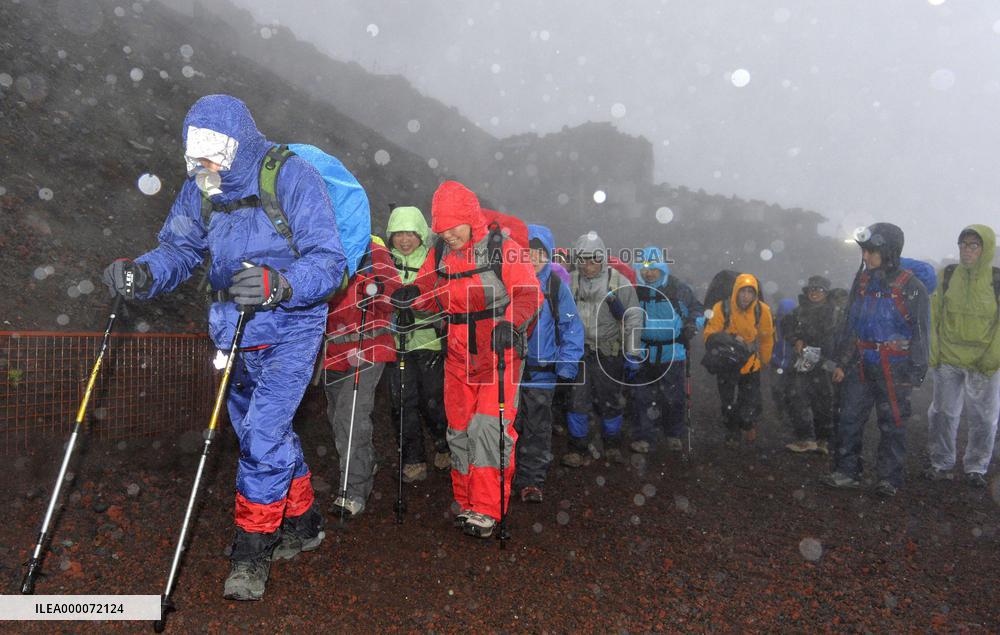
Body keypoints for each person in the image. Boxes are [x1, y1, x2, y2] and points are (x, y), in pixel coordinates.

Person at [101, 95, 345, 600]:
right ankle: (305, 524)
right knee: (264, 434)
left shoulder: (290, 176)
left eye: (211, 156)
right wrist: (142, 272)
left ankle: (252, 554)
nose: (202, 167)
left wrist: (280, 283)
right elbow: (180, 248)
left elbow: (329, 262)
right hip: (230, 328)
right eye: (195, 157)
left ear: (237, 147)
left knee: (260, 435)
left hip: (292, 326)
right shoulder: (201, 191)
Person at [392, 181, 542, 538]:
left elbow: (529, 294)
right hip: (457, 356)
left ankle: (487, 508)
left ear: (470, 220)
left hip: (498, 355)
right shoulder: (440, 254)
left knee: (489, 430)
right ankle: (465, 498)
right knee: (458, 430)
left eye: (453, 226)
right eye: (440, 228)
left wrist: (512, 322)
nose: (447, 233)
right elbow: (431, 293)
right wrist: (412, 298)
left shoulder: (503, 249)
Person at [823, 222, 929, 497]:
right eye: (864, 251)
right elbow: (850, 324)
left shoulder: (911, 287)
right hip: (861, 361)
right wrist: (841, 362)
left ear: (889, 251)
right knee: (848, 417)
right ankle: (847, 472)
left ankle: (889, 479)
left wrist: (915, 371)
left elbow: (920, 332)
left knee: (892, 422)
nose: (865, 258)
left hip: (893, 365)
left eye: (871, 252)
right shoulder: (862, 281)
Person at [323, 236, 401, 518]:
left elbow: (395, 293)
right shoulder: (319, 240)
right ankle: (365, 462)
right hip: (333, 351)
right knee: (336, 417)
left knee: (349, 415)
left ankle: (353, 490)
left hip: (369, 347)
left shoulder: (372, 248)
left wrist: (378, 289)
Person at [513, 224, 585, 503]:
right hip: (509, 370)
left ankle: (531, 480)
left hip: (542, 373)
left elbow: (571, 327)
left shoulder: (557, 287)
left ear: (549, 255)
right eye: (527, 252)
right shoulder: (508, 284)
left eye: (539, 252)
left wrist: (567, 365)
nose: (533, 257)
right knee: (508, 425)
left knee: (537, 428)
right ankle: (504, 476)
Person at [926, 225, 1000, 487]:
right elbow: (932, 315)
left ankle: (976, 467)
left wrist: (991, 359)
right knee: (943, 414)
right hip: (949, 359)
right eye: (963, 244)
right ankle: (941, 463)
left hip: (983, 363)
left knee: (984, 419)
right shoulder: (946, 276)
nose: (966, 251)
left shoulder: (997, 281)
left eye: (973, 245)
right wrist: (935, 353)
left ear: (985, 248)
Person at [562, 232, 642, 467]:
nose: (589, 266)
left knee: (610, 401)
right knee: (577, 401)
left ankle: (612, 445)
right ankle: (577, 449)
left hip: (609, 352)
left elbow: (634, 318)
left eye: (594, 259)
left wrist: (633, 352)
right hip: (579, 352)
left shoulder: (618, 282)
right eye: (584, 259)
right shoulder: (569, 281)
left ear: (602, 258)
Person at [385, 206, 451, 481]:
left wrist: (418, 305)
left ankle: (443, 442)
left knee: (433, 401)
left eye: (410, 233)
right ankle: (413, 460)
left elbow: (444, 297)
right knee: (402, 402)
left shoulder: (434, 260)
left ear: (421, 234)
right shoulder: (384, 262)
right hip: (396, 344)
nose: (404, 239)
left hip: (430, 341)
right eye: (398, 233)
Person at [629, 247, 704, 454]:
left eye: (653, 268)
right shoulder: (635, 290)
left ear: (662, 268)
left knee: (673, 397)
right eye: (644, 268)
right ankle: (644, 436)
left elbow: (697, 309)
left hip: (672, 351)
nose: (649, 273)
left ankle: (673, 433)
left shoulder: (677, 288)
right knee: (641, 397)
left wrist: (692, 325)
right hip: (643, 351)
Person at [702, 274, 774, 447]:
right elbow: (709, 334)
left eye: (750, 292)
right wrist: (731, 339)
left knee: (749, 400)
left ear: (755, 294)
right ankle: (732, 431)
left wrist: (765, 359)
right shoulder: (722, 307)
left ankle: (747, 423)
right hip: (727, 364)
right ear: (736, 291)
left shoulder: (762, 310)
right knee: (727, 401)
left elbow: (766, 336)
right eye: (743, 291)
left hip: (751, 365)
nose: (746, 296)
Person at [782, 276, 838, 454]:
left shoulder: (835, 312)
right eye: (812, 289)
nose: (815, 293)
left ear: (826, 293)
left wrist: (838, 362)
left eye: (820, 289)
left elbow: (840, 336)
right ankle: (806, 438)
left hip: (826, 362)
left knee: (825, 400)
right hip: (803, 361)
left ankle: (824, 440)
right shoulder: (798, 311)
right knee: (798, 397)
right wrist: (795, 339)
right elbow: (786, 327)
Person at [770, 297, 798, 432]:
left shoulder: (796, 326)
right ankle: (783, 413)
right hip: (777, 361)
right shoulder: (773, 324)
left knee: (786, 390)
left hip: (789, 363)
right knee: (778, 389)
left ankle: (785, 414)